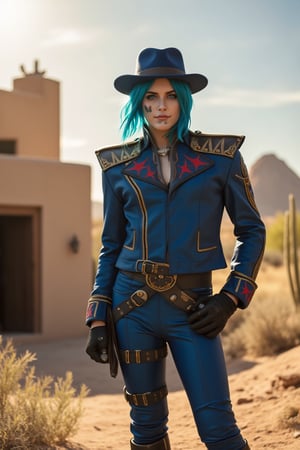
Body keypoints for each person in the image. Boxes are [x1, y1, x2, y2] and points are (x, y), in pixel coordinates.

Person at [85, 47, 265, 450]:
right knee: (146, 429)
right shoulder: (117, 168)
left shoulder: (221, 159)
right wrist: (98, 316)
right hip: (131, 309)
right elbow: (110, 244)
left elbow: (252, 231)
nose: (160, 106)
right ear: (139, 103)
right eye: (150, 97)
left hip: (196, 310)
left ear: (183, 100)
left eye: (169, 96)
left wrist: (231, 299)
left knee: (218, 428)